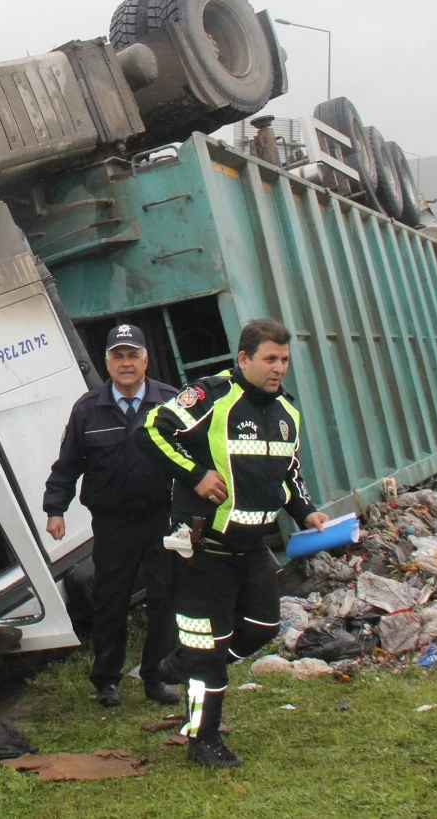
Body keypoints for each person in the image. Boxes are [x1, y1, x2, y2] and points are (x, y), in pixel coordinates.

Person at [136, 318, 330, 768]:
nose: (279, 368)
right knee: (209, 653)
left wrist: (307, 511)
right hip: (203, 548)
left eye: (284, 360)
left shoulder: (288, 413)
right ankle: (203, 740)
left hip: (252, 548)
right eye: (269, 359)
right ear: (244, 359)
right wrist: (196, 474)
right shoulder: (212, 395)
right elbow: (150, 430)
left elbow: (290, 474)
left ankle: (185, 664)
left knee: (262, 627)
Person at [42, 323, 181, 708]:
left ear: (145, 359)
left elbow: (195, 459)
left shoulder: (169, 403)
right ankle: (107, 681)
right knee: (110, 601)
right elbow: (68, 464)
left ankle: (156, 675)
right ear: (106, 362)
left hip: (162, 519)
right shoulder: (88, 410)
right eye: (118, 356)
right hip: (113, 525)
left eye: (132, 355)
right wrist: (56, 508)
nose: (126, 363)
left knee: (164, 598)